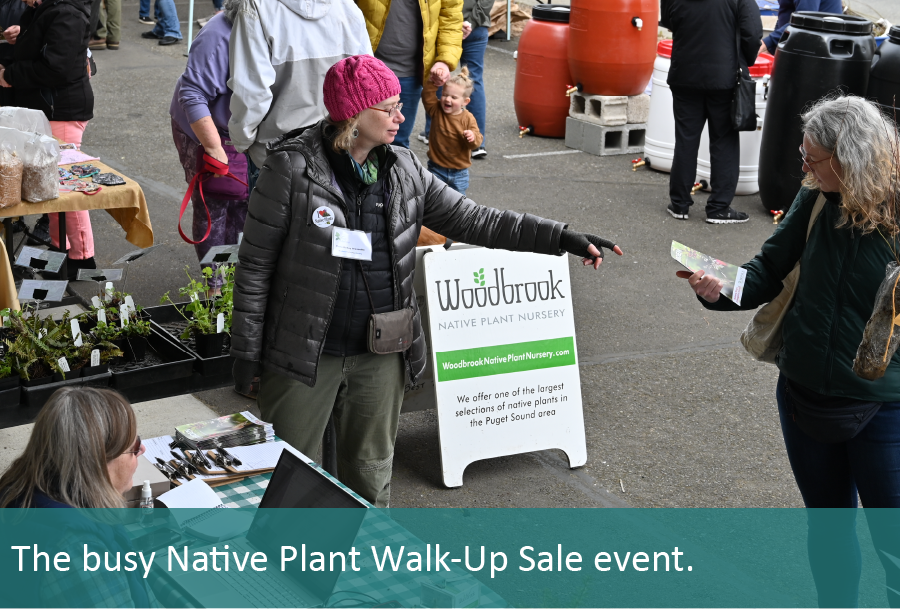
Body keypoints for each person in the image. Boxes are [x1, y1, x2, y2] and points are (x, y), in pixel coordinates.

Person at [232, 54, 622, 507]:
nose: (402, 116)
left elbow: (478, 220)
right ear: (354, 114)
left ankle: (358, 571)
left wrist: (561, 236)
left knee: (370, 477)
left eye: (400, 104)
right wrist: (246, 355)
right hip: (302, 355)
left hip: (380, 354)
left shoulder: (404, 168)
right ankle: (283, 576)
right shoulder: (291, 170)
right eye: (389, 108)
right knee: (288, 483)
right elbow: (254, 267)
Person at [676, 95, 900, 607]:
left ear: (853, 160)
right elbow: (765, 272)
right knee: (828, 531)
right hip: (804, 397)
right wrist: (720, 287)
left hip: (889, 406)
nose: (805, 167)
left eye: (813, 159)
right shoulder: (817, 198)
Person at [0, 388, 149, 608]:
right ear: (99, 463)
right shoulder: (77, 550)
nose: (143, 449)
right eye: (134, 446)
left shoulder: (16, 490)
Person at [228, 0, 371, 182]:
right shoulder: (343, 2)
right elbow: (365, 77)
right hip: (335, 147)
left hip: (275, 152)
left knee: (270, 225)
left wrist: (243, 141)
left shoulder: (256, 5)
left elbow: (251, 89)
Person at [0, 0, 97, 273]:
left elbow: (58, 67)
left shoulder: (64, 10)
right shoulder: (46, 5)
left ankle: (80, 258)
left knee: (63, 189)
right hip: (52, 108)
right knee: (54, 188)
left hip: (62, 110)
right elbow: (46, 48)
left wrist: (12, 74)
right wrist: (20, 39)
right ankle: (62, 249)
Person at [333, 0, 463, 149]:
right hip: (364, 68)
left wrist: (444, 60)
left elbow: (450, 16)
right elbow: (336, 6)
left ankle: (389, 189)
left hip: (409, 74)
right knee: (351, 138)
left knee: (397, 145)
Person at [658, 0, 761, 225]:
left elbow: (670, 24)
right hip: (724, 79)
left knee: (686, 139)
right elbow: (753, 32)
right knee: (724, 140)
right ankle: (718, 208)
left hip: (684, 76)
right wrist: (743, 61)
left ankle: (679, 204)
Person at [170, 5, 248, 285]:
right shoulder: (220, 31)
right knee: (214, 202)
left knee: (246, 205)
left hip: (248, 131)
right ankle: (215, 288)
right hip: (209, 127)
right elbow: (192, 94)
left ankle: (235, 281)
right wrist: (214, 149)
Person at [436, 0, 494, 158]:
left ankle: (436, 132)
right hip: (476, 29)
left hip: (443, 28)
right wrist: (471, 21)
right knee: (475, 80)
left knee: (440, 75)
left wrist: (454, 22)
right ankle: (476, 139)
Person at [420, 66, 481, 193]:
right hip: (436, 168)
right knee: (433, 201)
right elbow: (427, 95)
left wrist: (472, 137)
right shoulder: (436, 110)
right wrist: (434, 81)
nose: (447, 99)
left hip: (459, 173)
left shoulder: (468, 118)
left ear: (465, 101)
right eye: (444, 95)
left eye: (453, 97)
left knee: (457, 206)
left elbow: (477, 141)